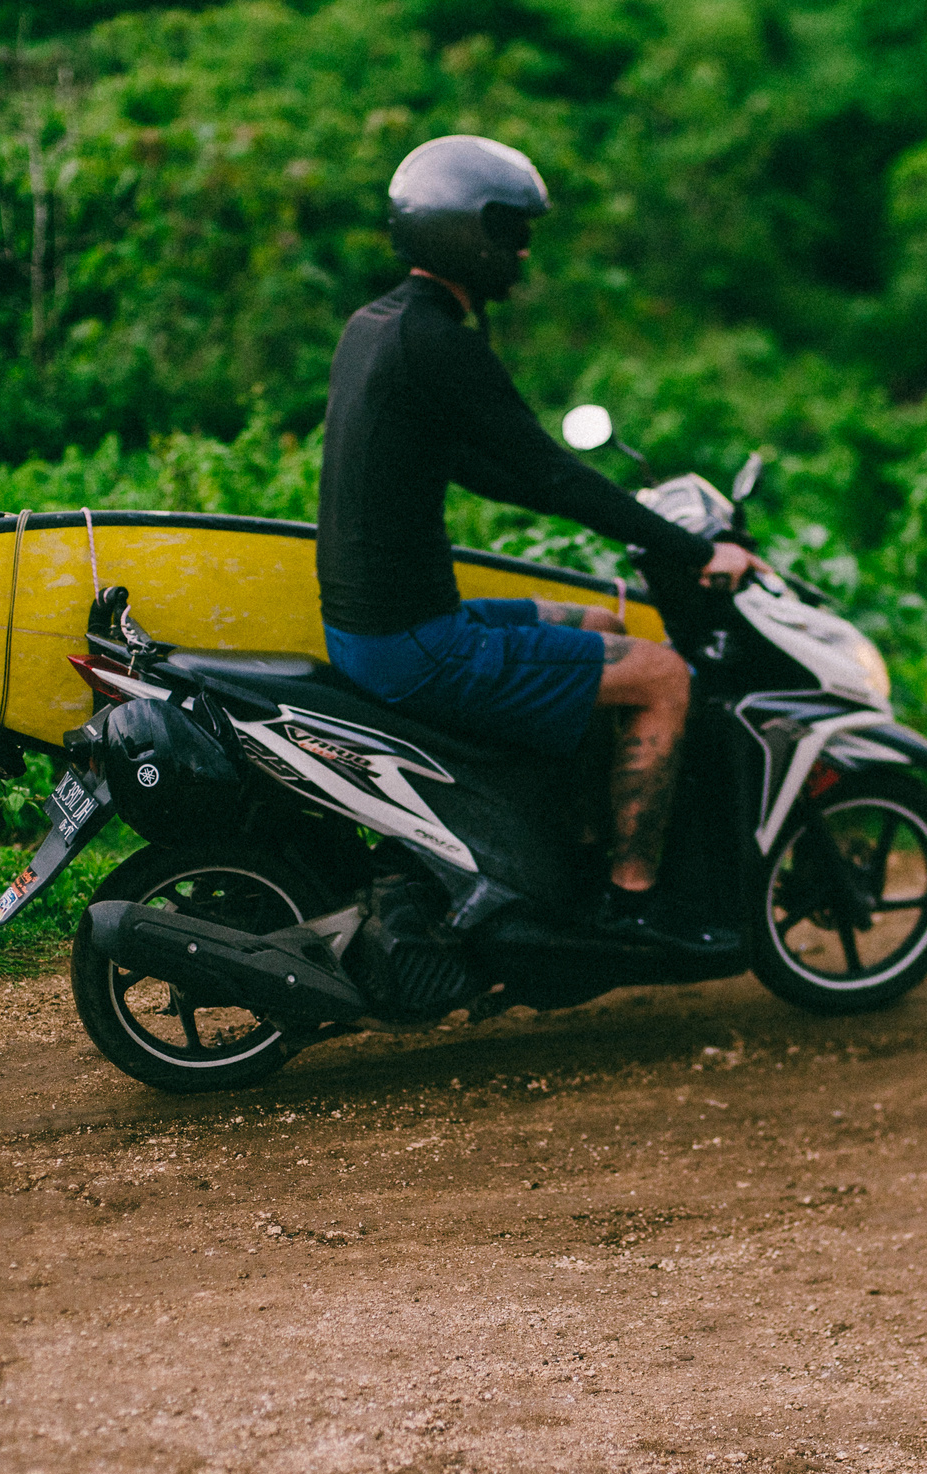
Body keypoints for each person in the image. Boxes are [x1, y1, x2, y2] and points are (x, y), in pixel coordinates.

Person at [315, 134, 765, 953]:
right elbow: (550, 475)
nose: (522, 252)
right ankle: (632, 904)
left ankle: (577, 830)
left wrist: (623, 514)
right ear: (465, 233)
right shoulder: (442, 344)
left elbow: (493, 467)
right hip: (419, 645)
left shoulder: (377, 326)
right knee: (663, 675)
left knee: (600, 622)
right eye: (511, 232)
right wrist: (696, 552)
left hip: (379, 627)